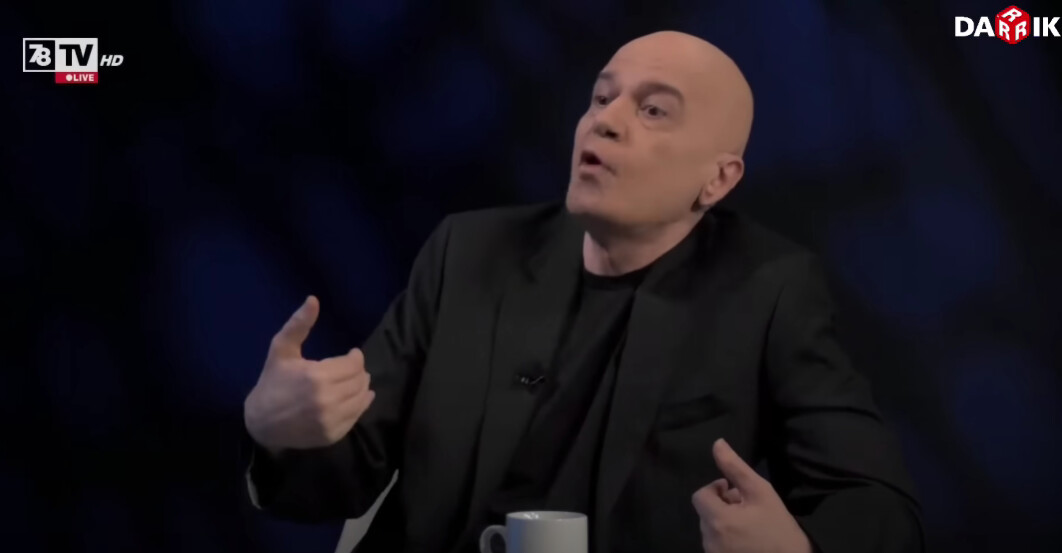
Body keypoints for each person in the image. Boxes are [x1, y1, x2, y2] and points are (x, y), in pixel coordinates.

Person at [242, 31, 925, 553]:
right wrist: (279, 435)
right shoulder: (469, 252)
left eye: (652, 110)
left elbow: (878, 507)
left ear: (717, 180)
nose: (606, 121)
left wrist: (798, 549)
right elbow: (345, 476)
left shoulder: (767, 289)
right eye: (601, 98)